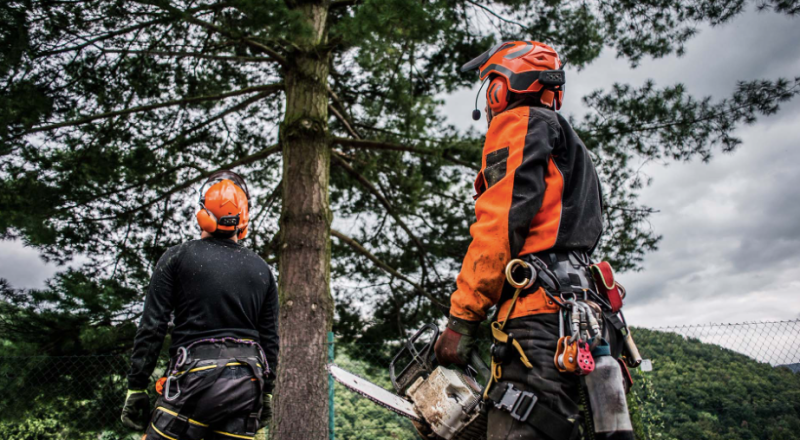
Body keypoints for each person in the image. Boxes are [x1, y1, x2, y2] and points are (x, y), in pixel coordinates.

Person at [435, 41, 627, 439]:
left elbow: (500, 224)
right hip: (587, 318)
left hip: (540, 320)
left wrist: (462, 315)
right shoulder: (573, 148)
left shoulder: (518, 122)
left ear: (501, 87)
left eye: (491, 84)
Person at [121, 170, 279, 440]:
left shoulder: (177, 257)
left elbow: (152, 327)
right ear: (244, 220)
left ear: (203, 215)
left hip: (194, 378)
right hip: (247, 385)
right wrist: (266, 393)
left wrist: (136, 387)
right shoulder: (263, 270)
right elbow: (270, 339)